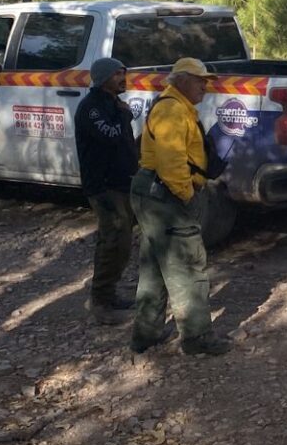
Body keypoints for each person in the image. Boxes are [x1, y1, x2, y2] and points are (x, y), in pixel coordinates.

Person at [128, 57, 230, 357]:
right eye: (200, 80)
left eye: (206, 80)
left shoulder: (177, 107)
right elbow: (171, 162)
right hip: (166, 197)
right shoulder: (172, 110)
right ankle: (197, 337)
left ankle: (145, 334)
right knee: (187, 264)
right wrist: (187, 195)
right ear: (182, 80)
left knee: (155, 267)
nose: (205, 86)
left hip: (154, 194)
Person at [75, 57, 139, 325]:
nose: (122, 79)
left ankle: (109, 294)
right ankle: (100, 302)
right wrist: (125, 115)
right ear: (103, 78)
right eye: (117, 75)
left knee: (122, 242)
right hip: (103, 186)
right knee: (112, 240)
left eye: (123, 74)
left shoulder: (112, 104)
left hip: (120, 182)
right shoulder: (92, 108)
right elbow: (112, 135)